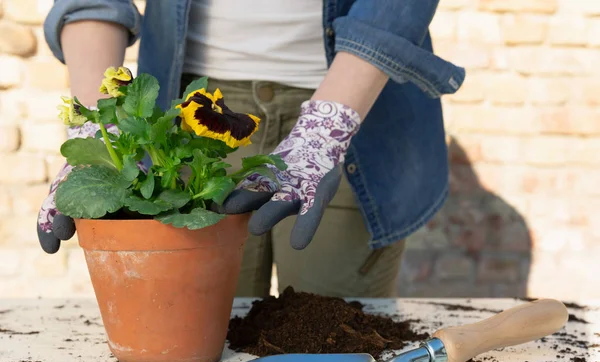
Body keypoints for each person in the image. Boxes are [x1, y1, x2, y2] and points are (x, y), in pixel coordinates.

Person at [38, 1, 465, 298]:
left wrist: (327, 127)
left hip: (355, 100)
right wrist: (101, 123)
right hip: (187, 114)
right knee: (191, 341)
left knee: (328, 345)